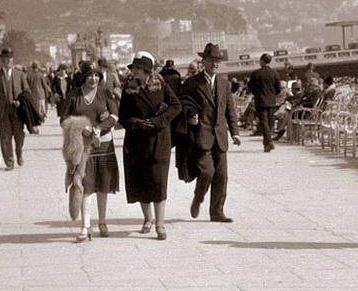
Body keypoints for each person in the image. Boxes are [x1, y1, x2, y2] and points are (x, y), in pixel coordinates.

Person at [120, 54, 182, 240]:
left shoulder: (161, 85)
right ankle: (148, 219)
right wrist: (136, 123)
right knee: (141, 180)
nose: (134, 71)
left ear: (147, 70)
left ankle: (160, 225)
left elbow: (175, 106)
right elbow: (123, 115)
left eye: (138, 68)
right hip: (136, 140)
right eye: (133, 68)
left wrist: (158, 121)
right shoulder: (128, 88)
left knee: (158, 181)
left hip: (158, 140)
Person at [180, 43, 241, 222]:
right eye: (212, 60)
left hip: (220, 136)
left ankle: (217, 212)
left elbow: (230, 110)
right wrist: (190, 115)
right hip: (201, 135)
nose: (216, 64)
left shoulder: (224, 83)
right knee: (207, 172)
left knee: (222, 176)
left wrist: (235, 133)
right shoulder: (192, 83)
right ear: (204, 61)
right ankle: (198, 198)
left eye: (218, 61)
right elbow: (183, 103)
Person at [60, 67, 119, 240]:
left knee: (103, 185)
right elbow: (63, 119)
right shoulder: (73, 94)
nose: (93, 79)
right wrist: (80, 127)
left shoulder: (105, 92)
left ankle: (102, 222)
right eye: (90, 76)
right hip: (82, 147)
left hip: (104, 144)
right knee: (85, 185)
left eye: (96, 76)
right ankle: (85, 226)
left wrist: (99, 129)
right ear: (83, 77)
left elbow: (115, 115)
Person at [0, 47, 29, 170]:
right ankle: (10, 163)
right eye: (4, 58)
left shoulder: (20, 75)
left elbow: (27, 92)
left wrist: (21, 102)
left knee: (20, 136)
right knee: (5, 139)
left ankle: (19, 152)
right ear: (1, 60)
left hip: (17, 112)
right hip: (3, 113)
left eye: (9, 58)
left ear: (12, 59)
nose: (7, 60)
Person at [247, 53, 283, 152]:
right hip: (271, 101)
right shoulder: (275, 73)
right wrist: (272, 94)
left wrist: (257, 94)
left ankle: (268, 142)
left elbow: (250, 87)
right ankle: (267, 142)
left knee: (264, 123)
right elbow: (279, 89)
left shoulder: (256, 73)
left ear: (262, 61)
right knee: (270, 123)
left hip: (260, 101)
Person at [26, 62, 49, 133]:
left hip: (31, 95)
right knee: (40, 109)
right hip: (40, 95)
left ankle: (35, 125)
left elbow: (26, 86)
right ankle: (39, 120)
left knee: (34, 110)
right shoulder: (40, 75)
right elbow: (45, 86)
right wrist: (47, 93)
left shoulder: (28, 75)